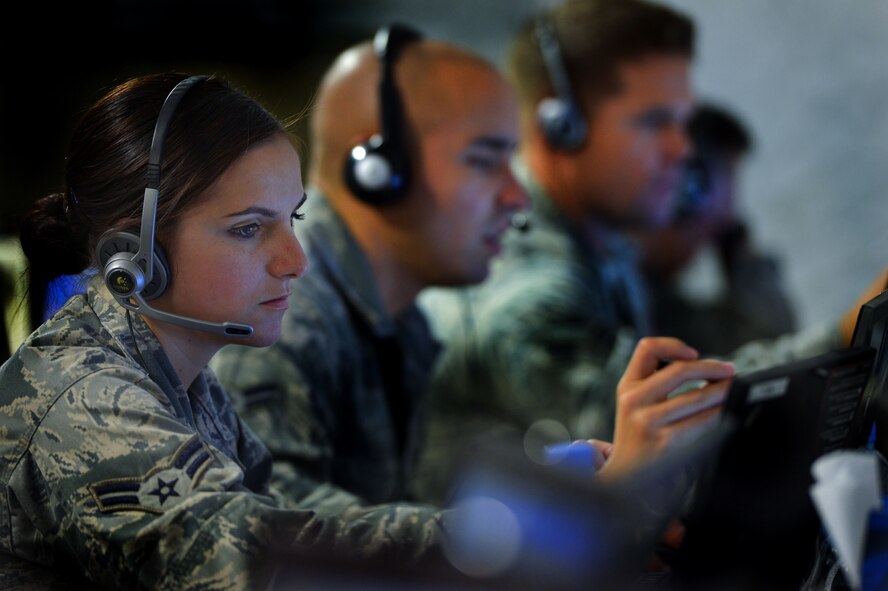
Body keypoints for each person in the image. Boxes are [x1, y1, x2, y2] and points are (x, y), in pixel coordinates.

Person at [209, 23, 736, 562]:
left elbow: (387, 511)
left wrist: (566, 484)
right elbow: (282, 541)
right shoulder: (285, 311)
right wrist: (572, 512)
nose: (517, 197)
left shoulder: (401, 321)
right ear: (381, 171)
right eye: (485, 161)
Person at [413, 0, 883, 506]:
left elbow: (708, 347)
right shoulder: (529, 295)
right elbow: (660, 425)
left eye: (683, 122)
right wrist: (847, 331)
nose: (681, 149)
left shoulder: (601, 241)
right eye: (655, 122)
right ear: (560, 127)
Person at [0, 72, 429, 591]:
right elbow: (251, 568)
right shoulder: (86, 401)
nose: (296, 261)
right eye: (248, 228)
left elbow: (279, 523)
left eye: (292, 218)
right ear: (134, 253)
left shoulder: (183, 378)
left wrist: (479, 535)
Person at [633, 102, 798, 355]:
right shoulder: (629, 301)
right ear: (687, 193)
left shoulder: (654, 298)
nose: (730, 212)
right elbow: (771, 347)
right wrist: (737, 245)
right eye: (712, 229)